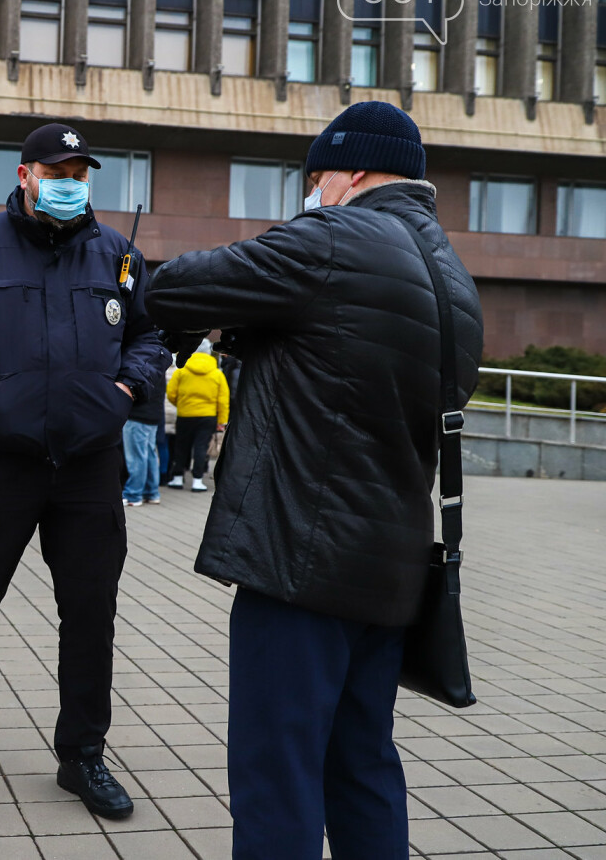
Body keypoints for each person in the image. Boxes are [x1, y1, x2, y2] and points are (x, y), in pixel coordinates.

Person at [146, 101, 483, 858]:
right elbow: (349, 367)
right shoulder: (453, 277)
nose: (313, 189)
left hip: (301, 563)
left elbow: (178, 289)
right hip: (390, 572)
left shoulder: (333, 237)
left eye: (317, 174)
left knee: (278, 776)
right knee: (362, 766)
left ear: (351, 170)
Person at [0, 123, 171, 818]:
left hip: (88, 466)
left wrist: (127, 391)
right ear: (25, 175)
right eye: (57, 170)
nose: (70, 182)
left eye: (80, 171)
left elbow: (151, 333)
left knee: (89, 615)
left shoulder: (118, 254)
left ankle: (83, 755)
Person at [164, 338, 229, 492]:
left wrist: (181, 405)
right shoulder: (217, 374)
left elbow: (171, 393)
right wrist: (222, 420)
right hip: (208, 416)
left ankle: (177, 478)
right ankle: (197, 481)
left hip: (185, 414)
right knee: (201, 448)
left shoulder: (182, 370)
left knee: (181, 447)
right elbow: (223, 400)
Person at [121, 375, 163, 508]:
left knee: (136, 456)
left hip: (138, 415)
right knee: (149, 454)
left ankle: (133, 494)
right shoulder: (158, 361)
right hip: (152, 414)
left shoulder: (139, 362)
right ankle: (151, 492)